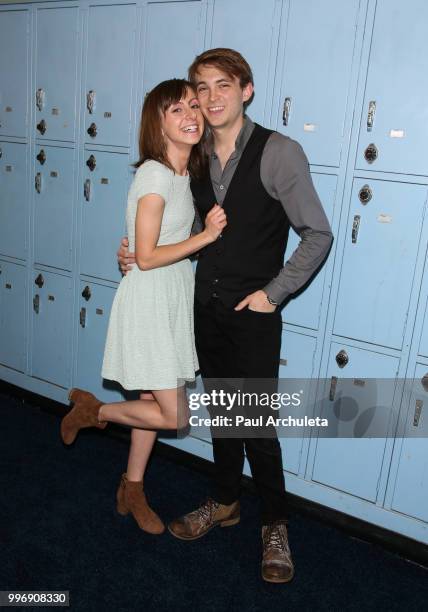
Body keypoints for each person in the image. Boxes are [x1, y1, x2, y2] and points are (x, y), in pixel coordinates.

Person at [118, 48, 333, 583]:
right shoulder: (191, 154)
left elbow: (318, 233)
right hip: (203, 309)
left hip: (253, 314)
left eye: (222, 86)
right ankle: (224, 500)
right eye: (201, 89)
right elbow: (168, 226)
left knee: (257, 425)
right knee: (223, 416)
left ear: (246, 90)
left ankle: (275, 525)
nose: (210, 99)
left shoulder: (279, 152)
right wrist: (133, 254)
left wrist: (274, 293)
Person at [60, 79, 227, 535]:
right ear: (158, 123)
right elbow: (150, 256)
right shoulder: (154, 175)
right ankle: (95, 411)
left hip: (170, 294)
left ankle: (132, 488)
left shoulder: (183, 174)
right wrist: (205, 236)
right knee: (175, 415)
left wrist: (136, 247)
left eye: (194, 106)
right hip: (151, 299)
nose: (191, 114)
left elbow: (147, 246)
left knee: (152, 402)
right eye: (176, 110)